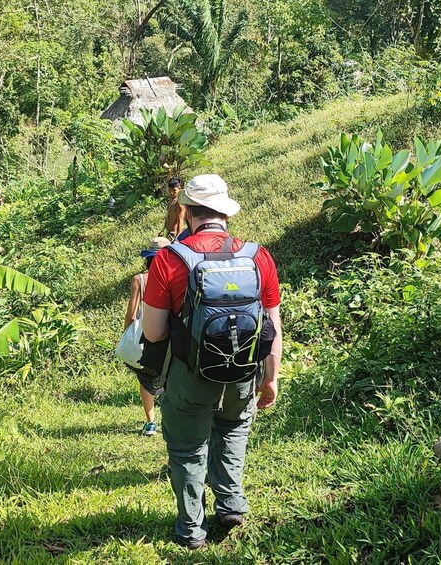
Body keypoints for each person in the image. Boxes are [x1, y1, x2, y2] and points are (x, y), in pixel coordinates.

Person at [141, 174, 283, 549]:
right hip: (242, 372)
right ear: (225, 213)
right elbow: (272, 326)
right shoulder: (258, 256)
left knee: (188, 449)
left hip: (189, 375)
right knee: (233, 428)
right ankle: (231, 504)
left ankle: (191, 530)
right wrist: (271, 379)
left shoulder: (170, 260)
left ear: (187, 212)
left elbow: (154, 333)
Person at [124, 236, 170, 436]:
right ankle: (171, 419)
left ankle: (151, 422)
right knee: (170, 376)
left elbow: (131, 313)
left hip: (145, 334)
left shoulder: (139, 280)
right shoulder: (174, 277)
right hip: (170, 332)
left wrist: (126, 334)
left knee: (145, 378)